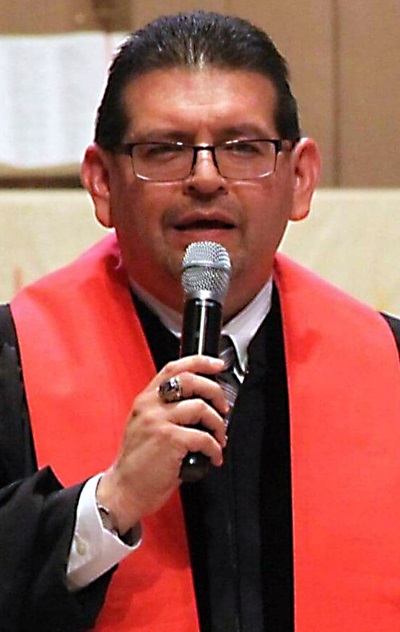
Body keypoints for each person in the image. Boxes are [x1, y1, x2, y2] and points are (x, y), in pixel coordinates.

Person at [0, 10, 399, 632]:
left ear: (299, 179)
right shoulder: (11, 364)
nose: (206, 178)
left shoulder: (389, 366)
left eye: (243, 148)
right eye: (165, 149)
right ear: (102, 183)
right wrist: (108, 504)